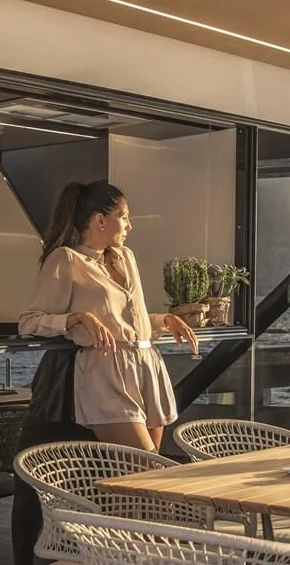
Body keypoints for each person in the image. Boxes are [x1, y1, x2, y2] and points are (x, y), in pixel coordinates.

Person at [18, 179, 198, 452]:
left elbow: (125, 323)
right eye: (124, 218)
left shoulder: (126, 257)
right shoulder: (66, 260)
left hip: (146, 366)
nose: (129, 226)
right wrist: (78, 318)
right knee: (147, 466)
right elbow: (29, 321)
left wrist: (165, 320)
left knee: (146, 475)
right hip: (105, 374)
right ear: (100, 220)